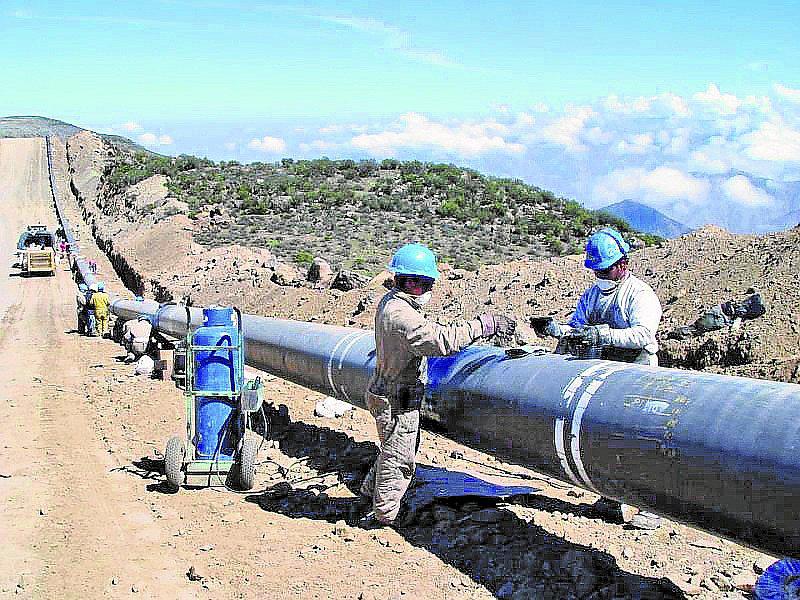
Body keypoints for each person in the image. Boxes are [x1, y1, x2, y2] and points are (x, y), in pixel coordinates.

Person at [359, 243, 516, 527]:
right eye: (427, 283)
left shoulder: (393, 303)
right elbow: (440, 342)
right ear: (413, 283)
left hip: (387, 392)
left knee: (391, 449)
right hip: (397, 399)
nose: (429, 289)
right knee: (399, 459)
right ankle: (384, 519)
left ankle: (368, 494)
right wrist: (483, 325)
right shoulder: (401, 315)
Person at [542, 227, 664, 529]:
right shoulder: (593, 295)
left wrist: (604, 333)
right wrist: (556, 330)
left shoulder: (639, 294)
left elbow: (643, 334)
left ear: (622, 264)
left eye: (604, 269)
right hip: (606, 376)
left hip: (637, 374)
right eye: (595, 270)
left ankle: (652, 506)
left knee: (639, 442)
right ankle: (611, 498)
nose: (599, 275)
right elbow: (579, 328)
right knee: (605, 438)